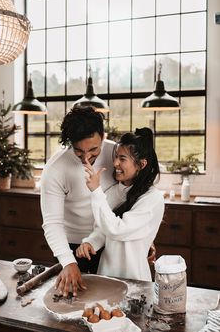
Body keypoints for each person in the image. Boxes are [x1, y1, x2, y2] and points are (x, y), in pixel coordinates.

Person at [41, 107, 156, 297]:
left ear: (103, 136)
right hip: (72, 248)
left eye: (93, 149)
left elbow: (135, 193)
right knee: (72, 304)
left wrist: (143, 238)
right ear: (70, 143)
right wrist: (68, 262)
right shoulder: (55, 170)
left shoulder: (116, 154)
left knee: (111, 302)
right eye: (79, 151)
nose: (87, 157)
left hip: (110, 242)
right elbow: (52, 223)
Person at [76, 127, 164, 281]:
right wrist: (91, 243)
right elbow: (102, 229)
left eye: (122, 159)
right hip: (105, 275)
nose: (115, 163)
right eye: (116, 157)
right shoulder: (112, 192)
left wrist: (96, 191)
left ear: (141, 164)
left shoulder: (153, 199)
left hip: (135, 279)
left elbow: (117, 230)